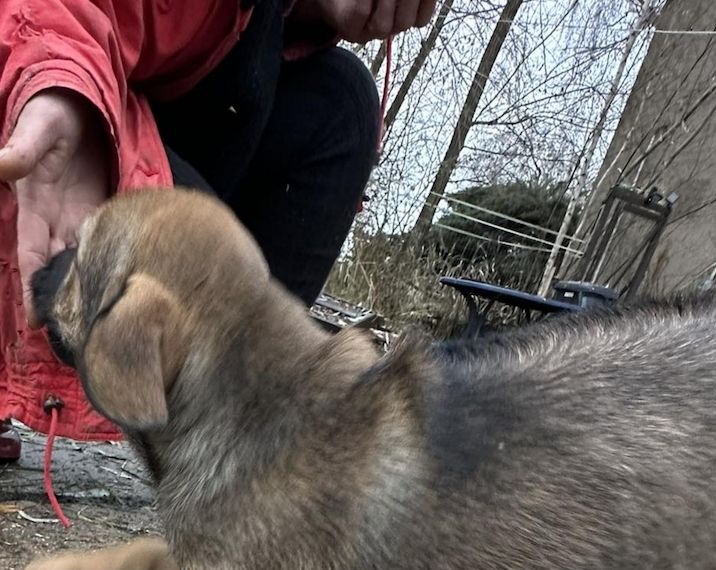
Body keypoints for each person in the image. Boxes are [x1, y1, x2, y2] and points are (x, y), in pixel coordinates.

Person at [0, 1, 435, 462]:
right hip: (70, 132)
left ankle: (243, 435)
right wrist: (62, 84)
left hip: (193, 133)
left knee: (345, 98)